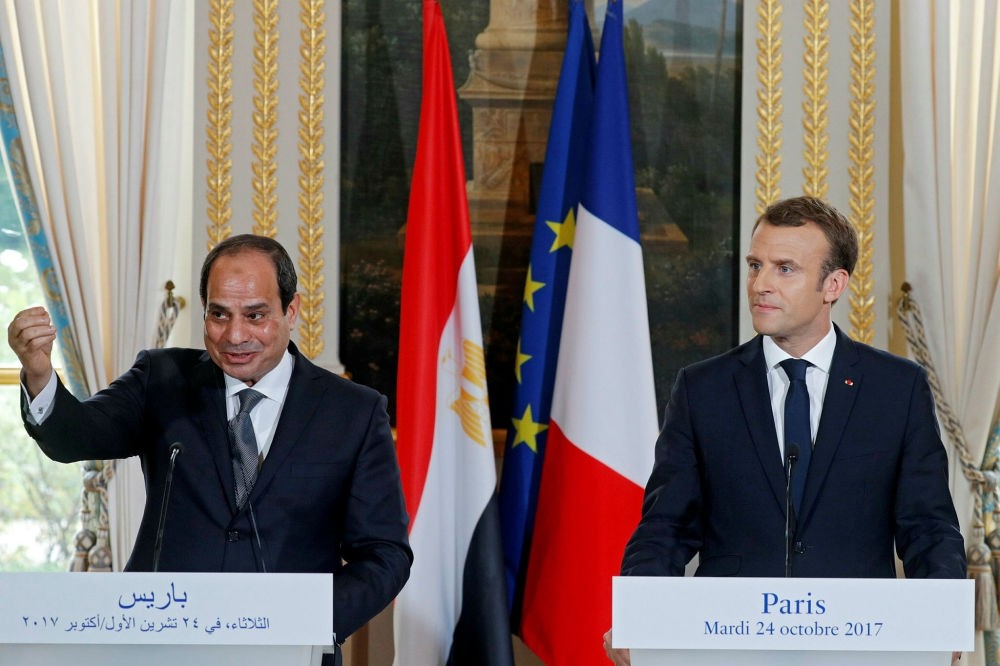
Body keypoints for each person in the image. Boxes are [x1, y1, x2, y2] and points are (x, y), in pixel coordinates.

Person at [8, 234, 412, 660]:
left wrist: (308, 620)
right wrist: (38, 374)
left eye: (255, 315)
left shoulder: (354, 412)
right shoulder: (161, 379)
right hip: (160, 645)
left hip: (290, 652)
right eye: (219, 315)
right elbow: (76, 436)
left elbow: (384, 555)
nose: (235, 335)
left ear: (291, 310)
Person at [603, 196, 965, 665]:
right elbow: (666, 526)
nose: (761, 284)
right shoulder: (702, 389)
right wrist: (641, 614)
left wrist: (942, 619)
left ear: (833, 284)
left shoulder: (896, 388)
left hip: (859, 643)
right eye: (756, 265)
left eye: (785, 268)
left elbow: (929, 526)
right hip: (726, 644)